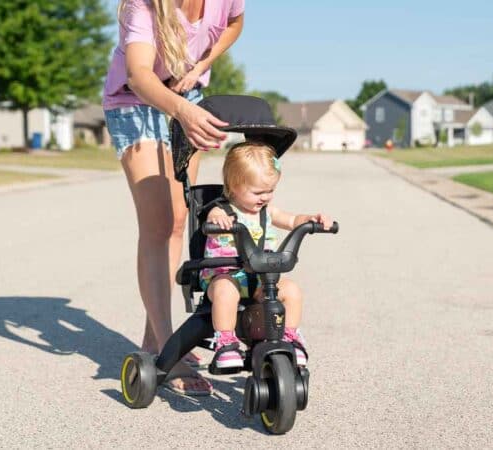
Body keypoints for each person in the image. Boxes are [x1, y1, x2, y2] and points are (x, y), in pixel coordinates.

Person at [102, 0, 245, 396]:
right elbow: (139, 74)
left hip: (187, 96)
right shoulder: (142, 6)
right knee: (158, 222)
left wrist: (201, 66)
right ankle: (170, 349)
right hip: (135, 100)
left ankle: (156, 341)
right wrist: (181, 110)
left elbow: (235, 23)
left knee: (180, 218)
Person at [200, 142, 333, 369]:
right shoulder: (222, 210)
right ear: (233, 186)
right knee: (226, 292)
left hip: (261, 279)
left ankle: (290, 337)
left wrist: (312, 220)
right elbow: (211, 216)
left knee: (291, 291)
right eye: (258, 192)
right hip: (225, 276)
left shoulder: (267, 212)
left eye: (270, 191)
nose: (265, 197)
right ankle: (226, 342)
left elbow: (292, 220)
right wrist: (217, 221)